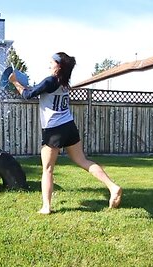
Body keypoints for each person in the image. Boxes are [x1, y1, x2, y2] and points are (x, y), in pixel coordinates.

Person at [8, 52, 122, 214]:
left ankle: (46, 207)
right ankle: (112, 186)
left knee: (47, 169)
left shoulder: (50, 80)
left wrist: (14, 82)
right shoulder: (64, 83)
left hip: (53, 129)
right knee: (83, 160)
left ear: (59, 66)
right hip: (69, 126)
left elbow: (27, 95)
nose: (49, 63)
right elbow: (36, 90)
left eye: (52, 61)